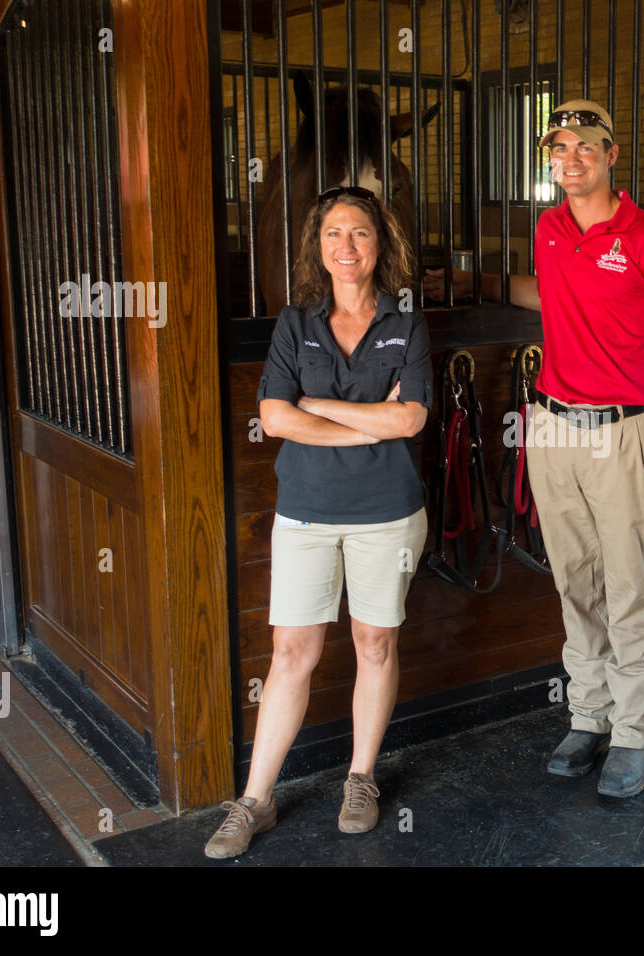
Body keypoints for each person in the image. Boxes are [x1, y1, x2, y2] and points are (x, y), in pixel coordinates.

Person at [428, 100, 644, 797]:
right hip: (551, 428)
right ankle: (588, 716)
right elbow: (549, 294)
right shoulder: (551, 231)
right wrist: (476, 284)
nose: (571, 158)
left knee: (629, 587)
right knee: (575, 581)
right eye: (559, 149)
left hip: (624, 433)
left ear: (612, 155)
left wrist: (631, 386)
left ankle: (633, 734)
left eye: (586, 146)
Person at [205, 186, 432, 858]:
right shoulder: (295, 321)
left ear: (380, 243)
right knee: (291, 653)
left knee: (375, 644)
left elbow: (412, 418)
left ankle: (360, 778)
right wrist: (369, 427)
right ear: (318, 247)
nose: (347, 247)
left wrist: (318, 409)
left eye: (360, 233)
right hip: (304, 511)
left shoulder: (407, 322)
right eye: (334, 234)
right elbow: (275, 419)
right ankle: (255, 800)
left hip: (388, 513)